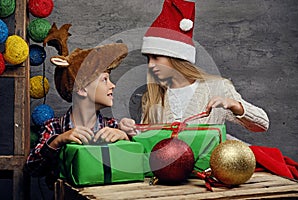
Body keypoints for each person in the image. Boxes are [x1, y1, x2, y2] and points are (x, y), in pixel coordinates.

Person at [119, 0, 269, 136]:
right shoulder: (153, 97)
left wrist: (234, 105)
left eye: (156, 58)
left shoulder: (217, 88)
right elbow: (150, 143)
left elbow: (262, 124)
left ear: (176, 58)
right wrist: (132, 131)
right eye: (148, 59)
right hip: (171, 166)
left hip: (213, 164)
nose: (151, 65)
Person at [26, 43, 129, 182]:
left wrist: (126, 139)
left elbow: (134, 165)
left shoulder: (112, 127)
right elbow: (32, 169)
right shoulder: (53, 127)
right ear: (81, 89)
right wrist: (58, 140)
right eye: (105, 79)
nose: (113, 85)